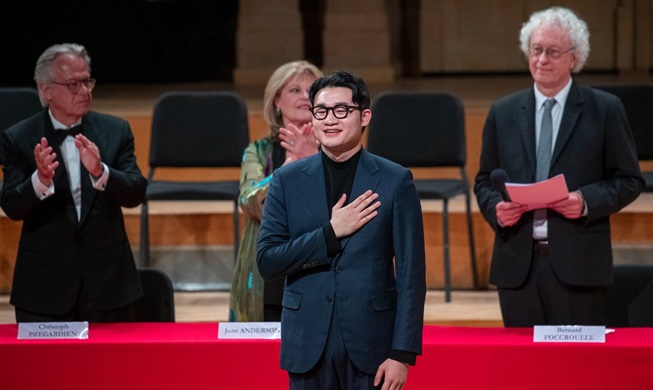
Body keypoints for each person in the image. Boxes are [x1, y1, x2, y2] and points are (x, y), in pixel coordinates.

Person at [474, 7, 644, 327]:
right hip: (517, 267)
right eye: (536, 50)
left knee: (577, 372)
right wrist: (496, 208)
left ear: (574, 58)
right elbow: (484, 180)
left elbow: (629, 180)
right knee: (524, 371)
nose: (542, 59)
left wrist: (584, 201)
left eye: (553, 52)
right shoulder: (503, 112)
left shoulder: (604, 110)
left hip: (579, 266)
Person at [257, 70, 426, 389]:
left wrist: (402, 353)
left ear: (364, 116)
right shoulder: (286, 180)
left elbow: (410, 274)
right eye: (320, 111)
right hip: (307, 344)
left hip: (372, 349)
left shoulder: (395, 180)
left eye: (341, 110)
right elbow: (268, 262)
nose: (329, 119)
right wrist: (329, 234)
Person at [1, 43, 147, 322]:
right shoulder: (19, 137)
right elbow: (12, 206)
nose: (85, 91)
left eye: (87, 81)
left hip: (108, 288)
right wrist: (39, 181)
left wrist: (101, 171)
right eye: (73, 83)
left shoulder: (116, 131)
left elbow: (135, 193)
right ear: (46, 89)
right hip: (44, 289)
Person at [229, 60, 323, 322]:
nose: (305, 97)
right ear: (276, 102)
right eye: (294, 90)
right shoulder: (258, 152)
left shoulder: (336, 150)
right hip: (271, 275)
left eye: (312, 90)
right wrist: (293, 164)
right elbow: (251, 202)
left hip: (323, 273)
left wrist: (314, 160)